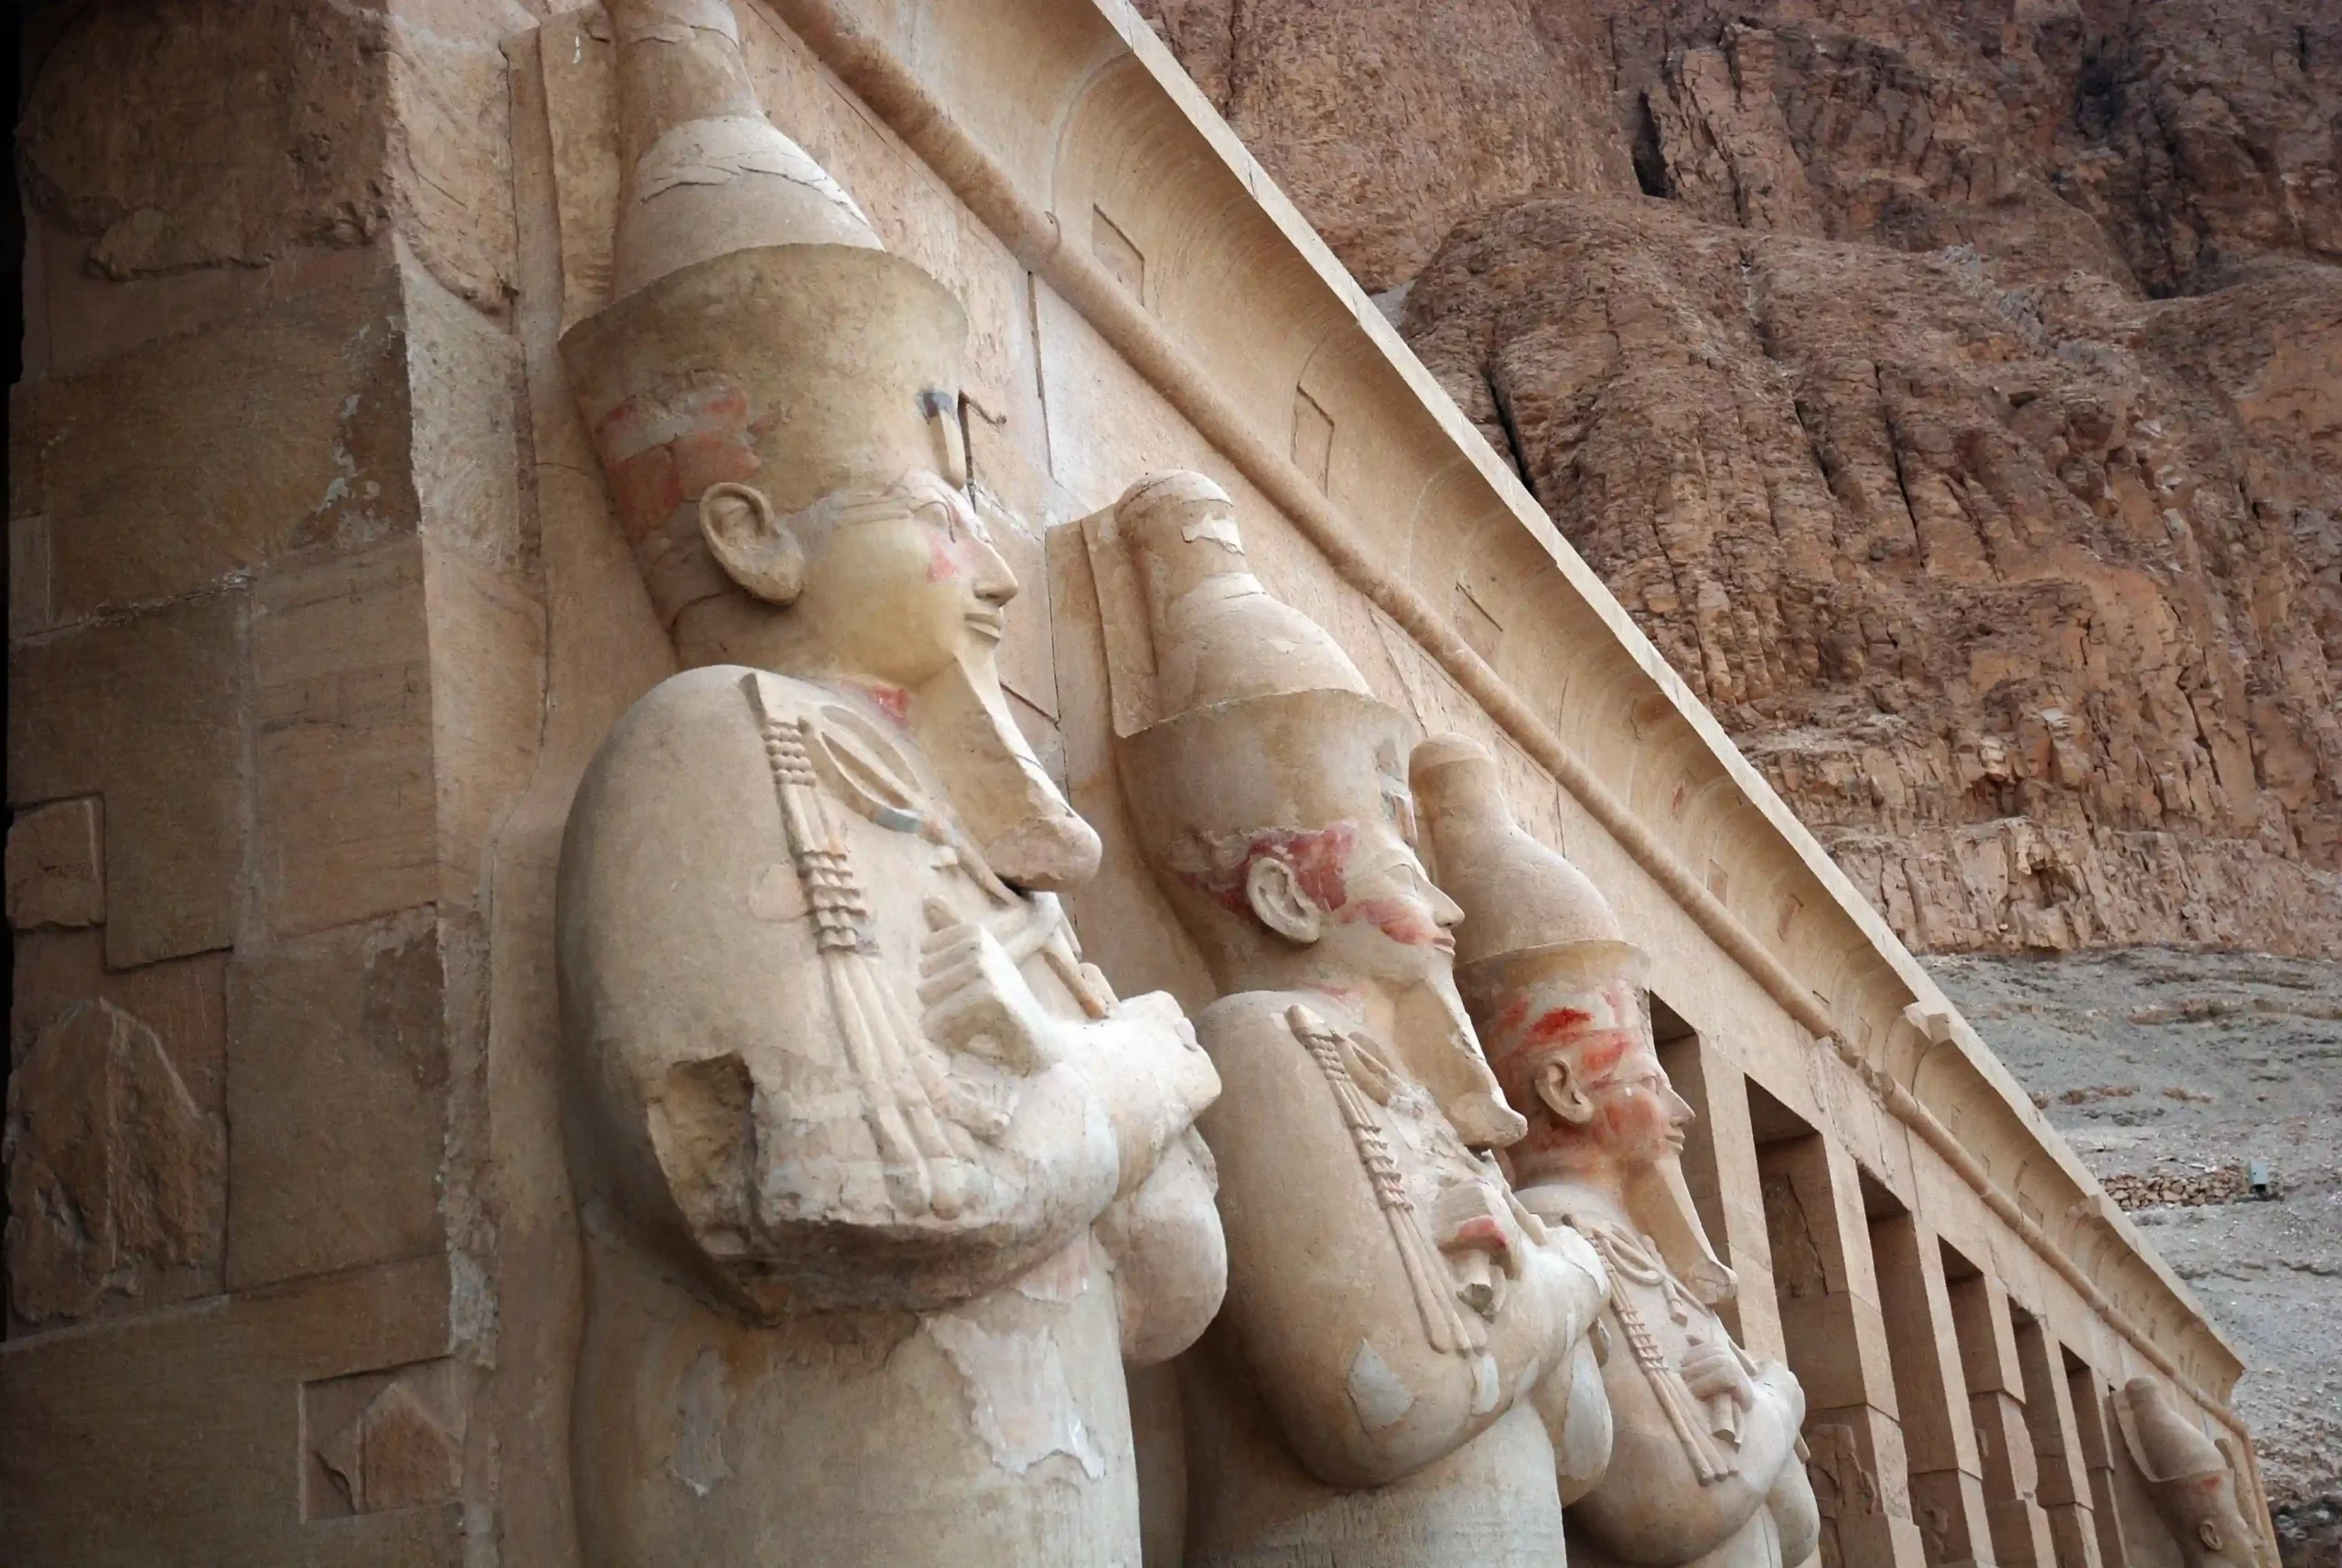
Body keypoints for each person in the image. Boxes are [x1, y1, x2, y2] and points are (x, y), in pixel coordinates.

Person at [1416, 735, 1821, 1568]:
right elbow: (1675, 1504)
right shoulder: (1565, 1238)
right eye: (1645, 1077)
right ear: (1565, 1089)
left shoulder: (1630, 1254)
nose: (1677, 1108)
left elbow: (1790, 1519)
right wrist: (1778, 1399)